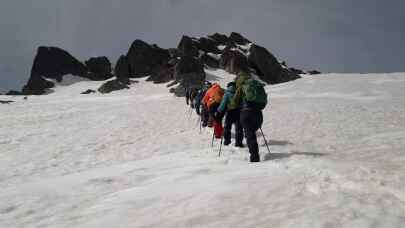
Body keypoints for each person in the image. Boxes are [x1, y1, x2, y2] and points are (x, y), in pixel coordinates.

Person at [230, 72, 267, 162]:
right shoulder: (257, 84)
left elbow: (234, 102)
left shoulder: (241, 86)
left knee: (250, 135)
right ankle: (252, 147)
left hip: (246, 113)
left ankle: (254, 157)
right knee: (251, 133)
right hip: (258, 113)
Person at [216, 81, 244, 147]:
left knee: (227, 127)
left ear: (228, 87)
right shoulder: (239, 92)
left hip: (230, 112)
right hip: (239, 112)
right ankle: (239, 143)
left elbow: (223, 104)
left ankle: (227, 141)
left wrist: (218, 111)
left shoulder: (227, 93)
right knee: (239, 128)